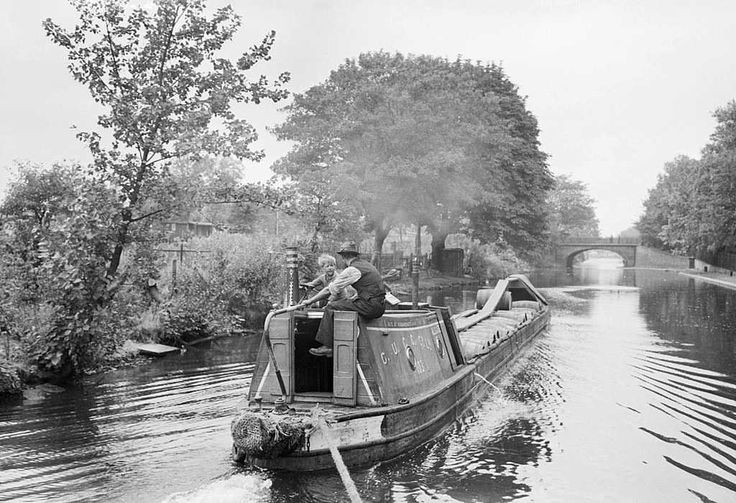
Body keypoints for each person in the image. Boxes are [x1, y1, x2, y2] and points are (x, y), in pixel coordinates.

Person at [300, 241, 386, 357]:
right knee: (346, 303)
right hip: (379, 305)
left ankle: (328, 346)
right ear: (356, 255)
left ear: (344, 257)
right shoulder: (367, 265)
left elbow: (329, 290)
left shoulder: (352, 270)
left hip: (370, 306)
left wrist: (309, 301)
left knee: (331, 307)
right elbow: (370, 287)